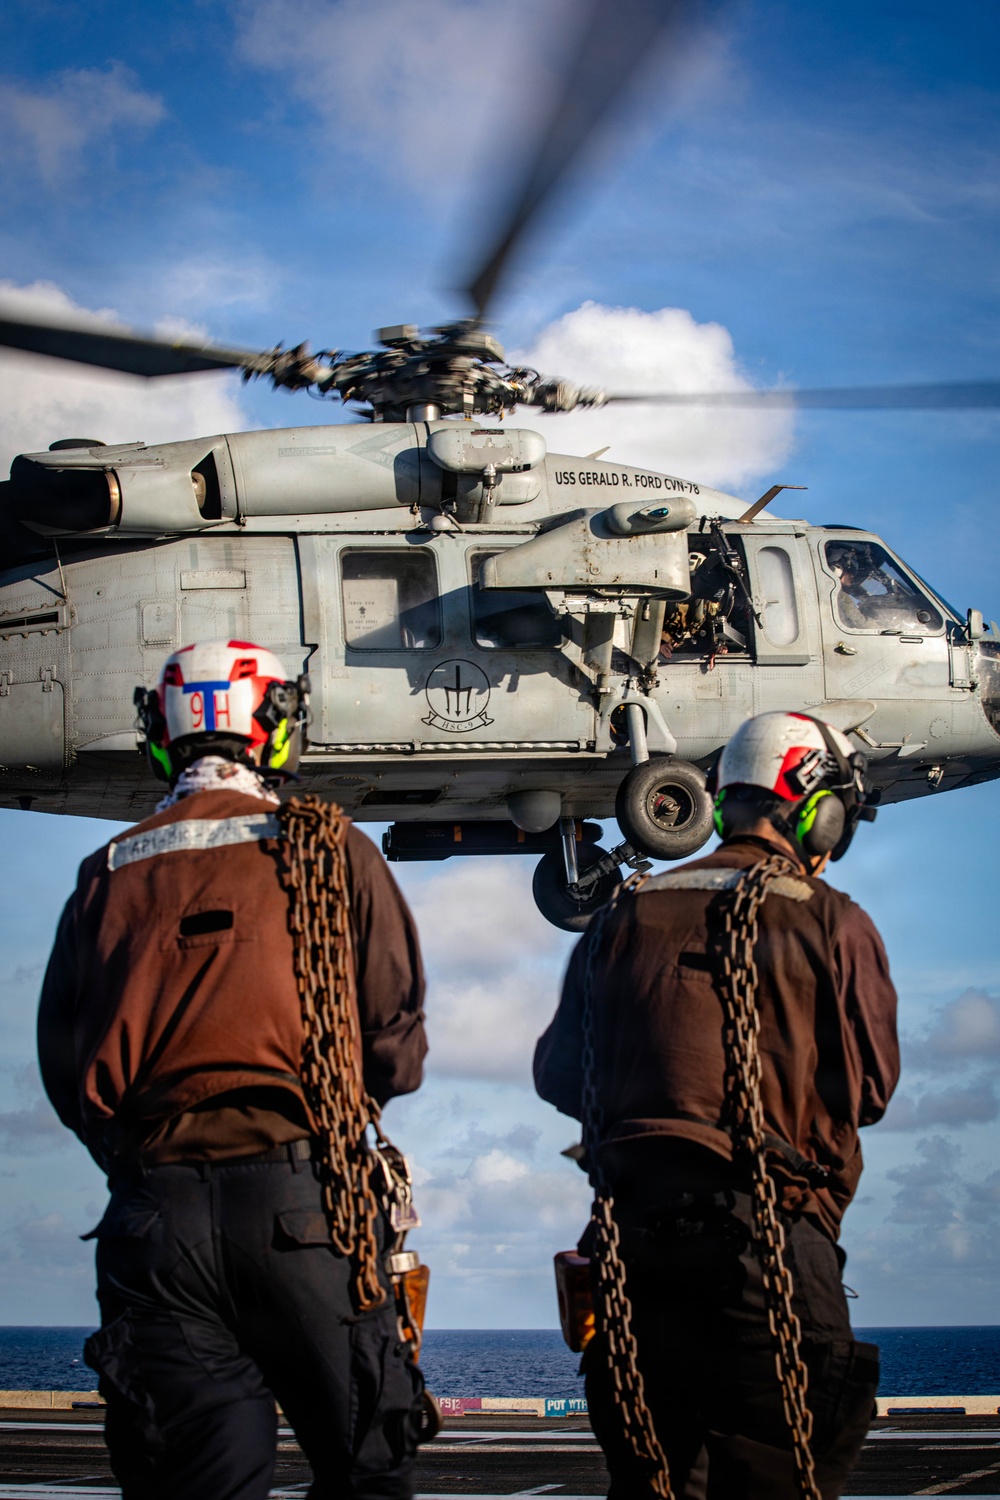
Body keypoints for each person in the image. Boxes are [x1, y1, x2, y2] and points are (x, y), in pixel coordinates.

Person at [37, 640, 429, 1500]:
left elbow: (65, 1073)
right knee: (368, 1470)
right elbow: (396, 1050)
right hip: (304, 1207)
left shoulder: (104, 873)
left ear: (160, 735)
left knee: (195, 1482)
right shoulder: (330, 849)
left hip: (153, 1217)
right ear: (277, 730)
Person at [534, 711, 899, 1500]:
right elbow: (869, 1090)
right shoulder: (830, 919)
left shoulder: (622, 915)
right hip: (768, 1248)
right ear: (815, 807)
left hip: (633, 1255)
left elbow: (559, 1076)